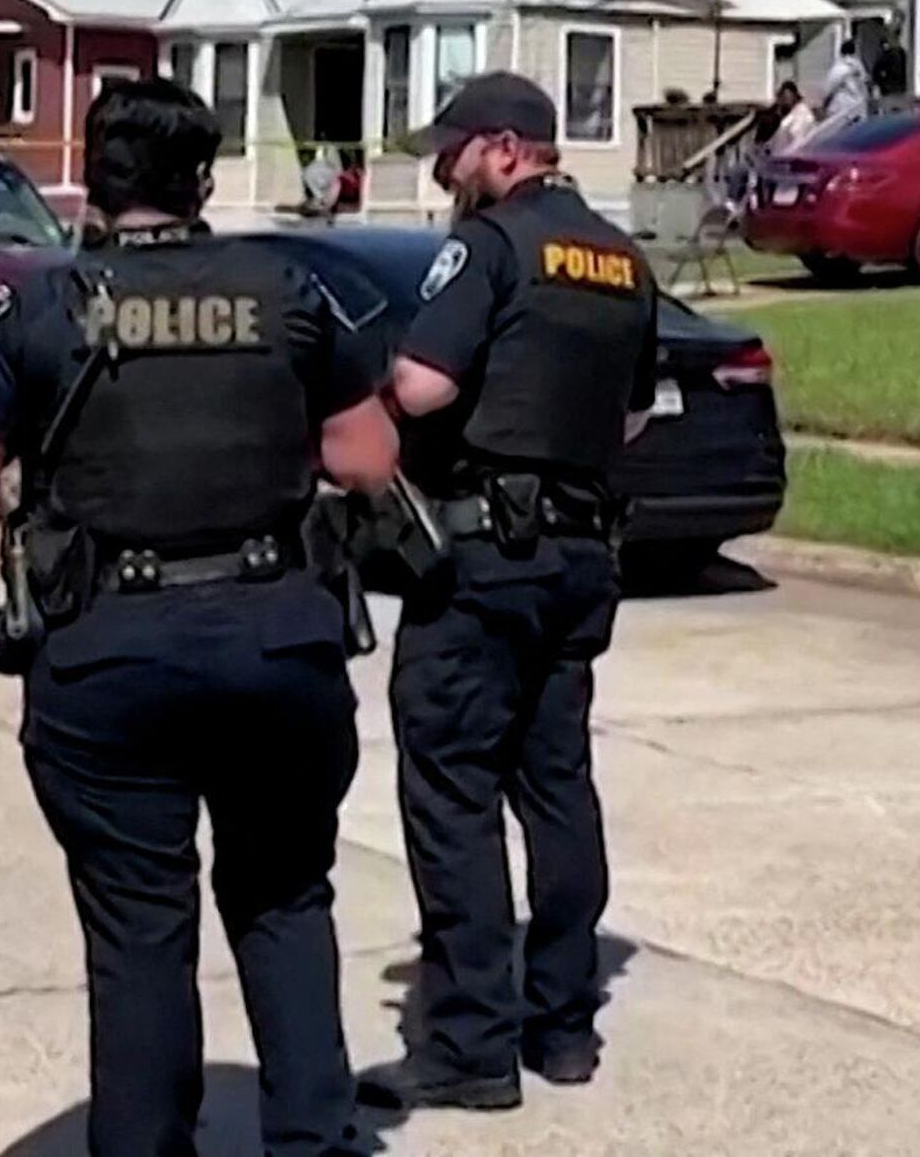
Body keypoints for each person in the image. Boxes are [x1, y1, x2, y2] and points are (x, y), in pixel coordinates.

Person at [0, 78, 399, 1157]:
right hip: (278, 641)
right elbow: (368, 460)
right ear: (202, 183)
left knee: (139, 925)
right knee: (284, 898)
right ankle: (313, 1138)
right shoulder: (289, 289)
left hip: (110, 659)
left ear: (94, 181)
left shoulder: (39, 306)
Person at [356, 72, 658, 1115]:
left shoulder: (488, 246)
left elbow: (423, 386)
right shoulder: (621, 259)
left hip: (484, 562)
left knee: (453, 791)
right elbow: (630, 417)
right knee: (558, 785)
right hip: (581, 561)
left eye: (454, 154)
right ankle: (562, 1025)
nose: (446, 173)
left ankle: (470, 1044)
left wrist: (381, 381)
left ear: (504, 148)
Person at [820, 39, 872, 130]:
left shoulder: (840, 67)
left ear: (841, 52)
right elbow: (866, 85)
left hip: (843, 108)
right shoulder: (860, 67)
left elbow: (829, 88)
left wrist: (824, 103)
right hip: (859, 107)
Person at [766, 79, 817, 156]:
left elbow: (798, 143)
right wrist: (768, 146)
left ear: (794, 96)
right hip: (779, 157)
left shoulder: (802, 114)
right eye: (782, 98)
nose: (782, 101)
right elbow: (778, 138)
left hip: (790, 159)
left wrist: (782, 157)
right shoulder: (792, 114)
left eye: (786, 97)